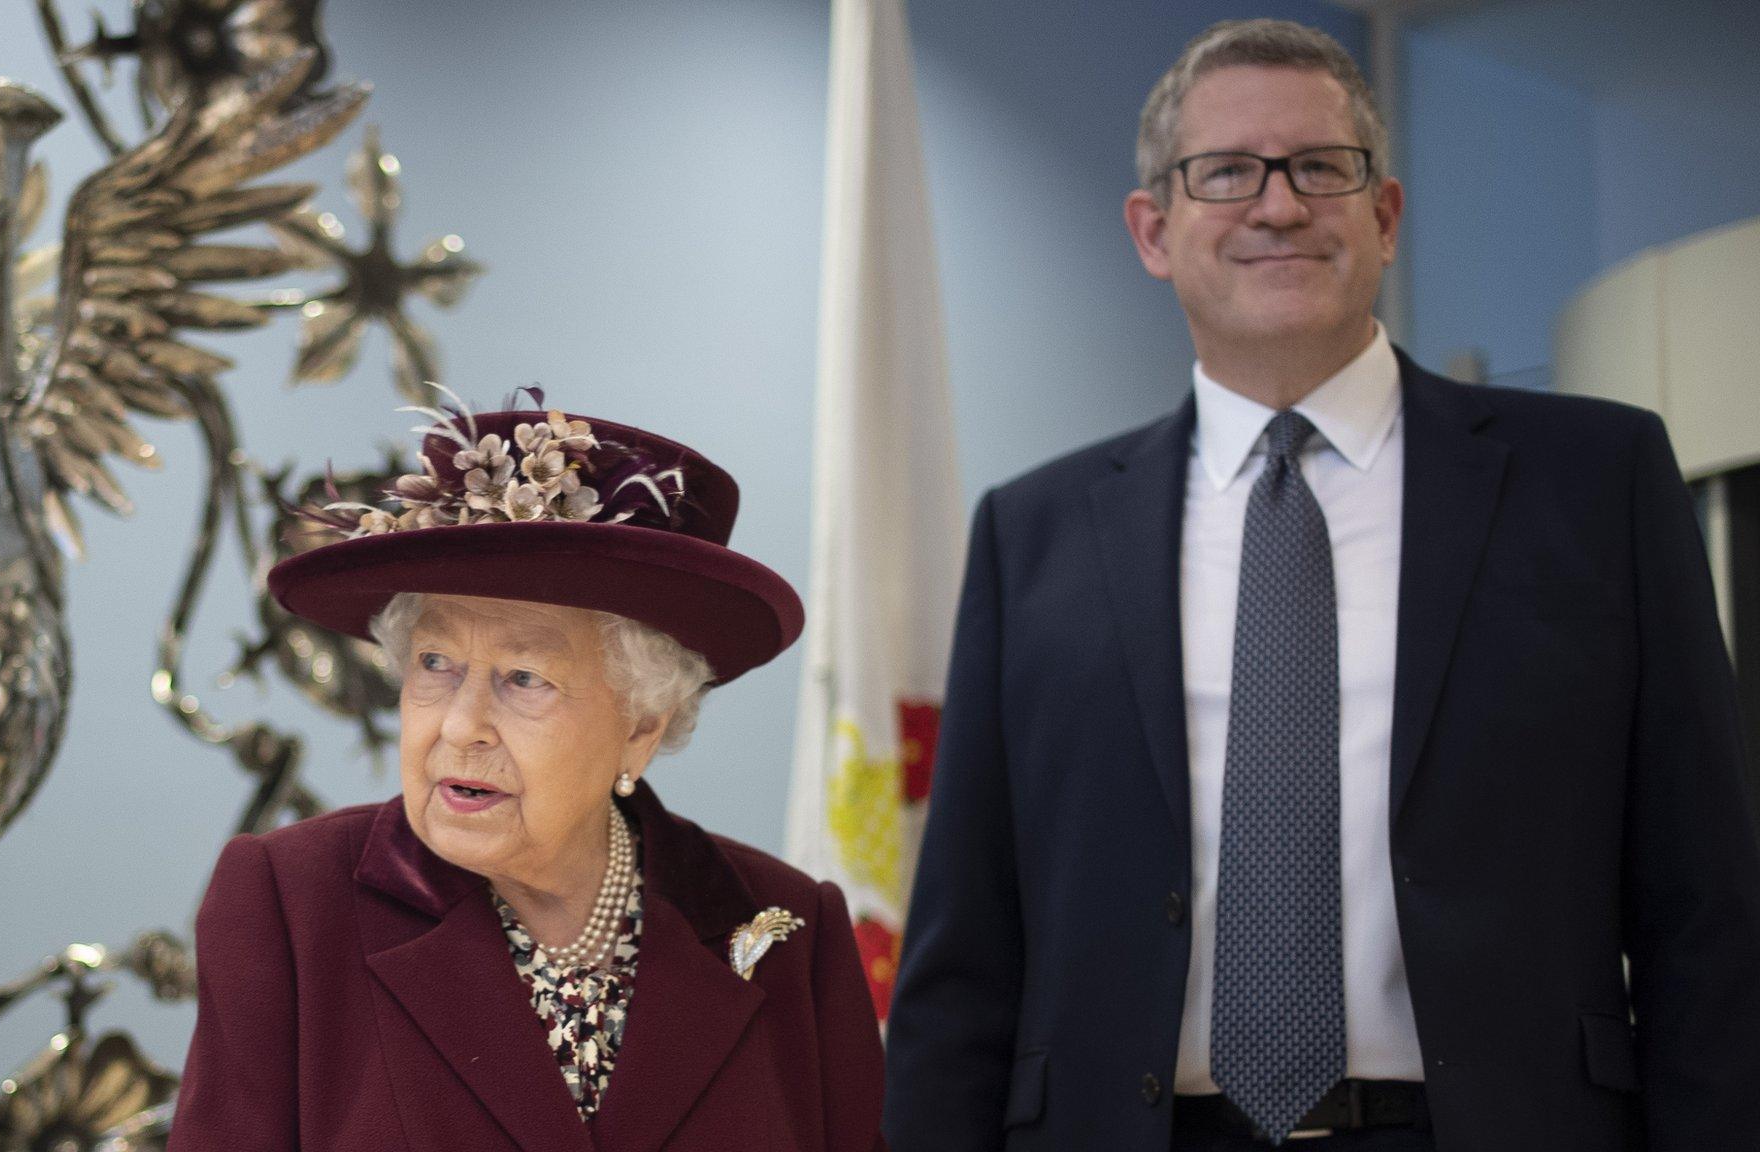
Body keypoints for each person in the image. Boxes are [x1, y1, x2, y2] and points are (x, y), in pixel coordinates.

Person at [884, 17, 1760, 1152]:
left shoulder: (1594, 482)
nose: (1278, 205)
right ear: (1152, 230)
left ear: (1383, 215)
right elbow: (966, 953)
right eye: (1225, 173)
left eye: (1318, 168)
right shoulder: (1033, 533)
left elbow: (1705, 911)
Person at [167, 397, 886, 1150]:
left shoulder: (786, 931)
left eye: (523, 677)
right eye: (435, 664)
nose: (459, 725)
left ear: (643, 724)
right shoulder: (291, 906)